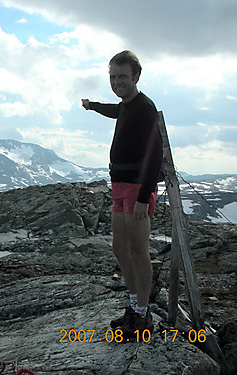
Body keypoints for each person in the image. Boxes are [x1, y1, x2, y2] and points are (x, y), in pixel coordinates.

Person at [82, 50, 163, 337]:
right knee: (119, 248)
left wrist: (144, 197)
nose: (117, 82)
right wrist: (92, 106)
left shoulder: (144, 107)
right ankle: (133, 306)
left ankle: (143, 315)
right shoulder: (126, 105)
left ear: (136, 77)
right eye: (113, 77)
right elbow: (114, 110)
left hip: (136, 189)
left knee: (139, 252)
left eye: (123, 77)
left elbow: (155, 156)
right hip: (119, 186)